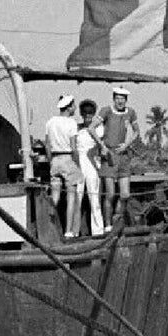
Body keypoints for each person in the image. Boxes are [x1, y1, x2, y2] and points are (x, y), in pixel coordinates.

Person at [97, 86, 142, 223]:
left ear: (126, 100)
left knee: (125, 194)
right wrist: (102, 145)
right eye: (117, 98)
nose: (120, 101)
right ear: (114, 99)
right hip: (109, 155)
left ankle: (117, 217)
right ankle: (108, 224)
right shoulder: (106, 111)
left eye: (122, 99)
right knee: (110, 194)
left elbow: (136, 132)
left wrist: (126, 145)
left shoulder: (131, 113)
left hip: (123, 155)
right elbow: (92, 128)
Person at [44, 94, 83, 239]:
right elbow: (73, 147)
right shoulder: (71, 123)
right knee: (71, 197)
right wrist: (77, 165)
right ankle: (68, 231)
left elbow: (47, 145)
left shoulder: (50, 122)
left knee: (55, 197)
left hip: (55, 159)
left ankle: (49, 228)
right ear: (69, 107)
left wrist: (51, 161)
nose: (74, 108)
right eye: (73, 105)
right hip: (67, 158)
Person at [74, 100, 108, 238]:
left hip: (93, 163)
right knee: (77, 197)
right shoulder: (77, 129)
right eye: (85, 113)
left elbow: (103, 146)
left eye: (90, 113)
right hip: (78, 163)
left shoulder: (99, 129)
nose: (88, 116)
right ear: (82, 114)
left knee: (94, 197)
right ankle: (74, 231)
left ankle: (98, 230)